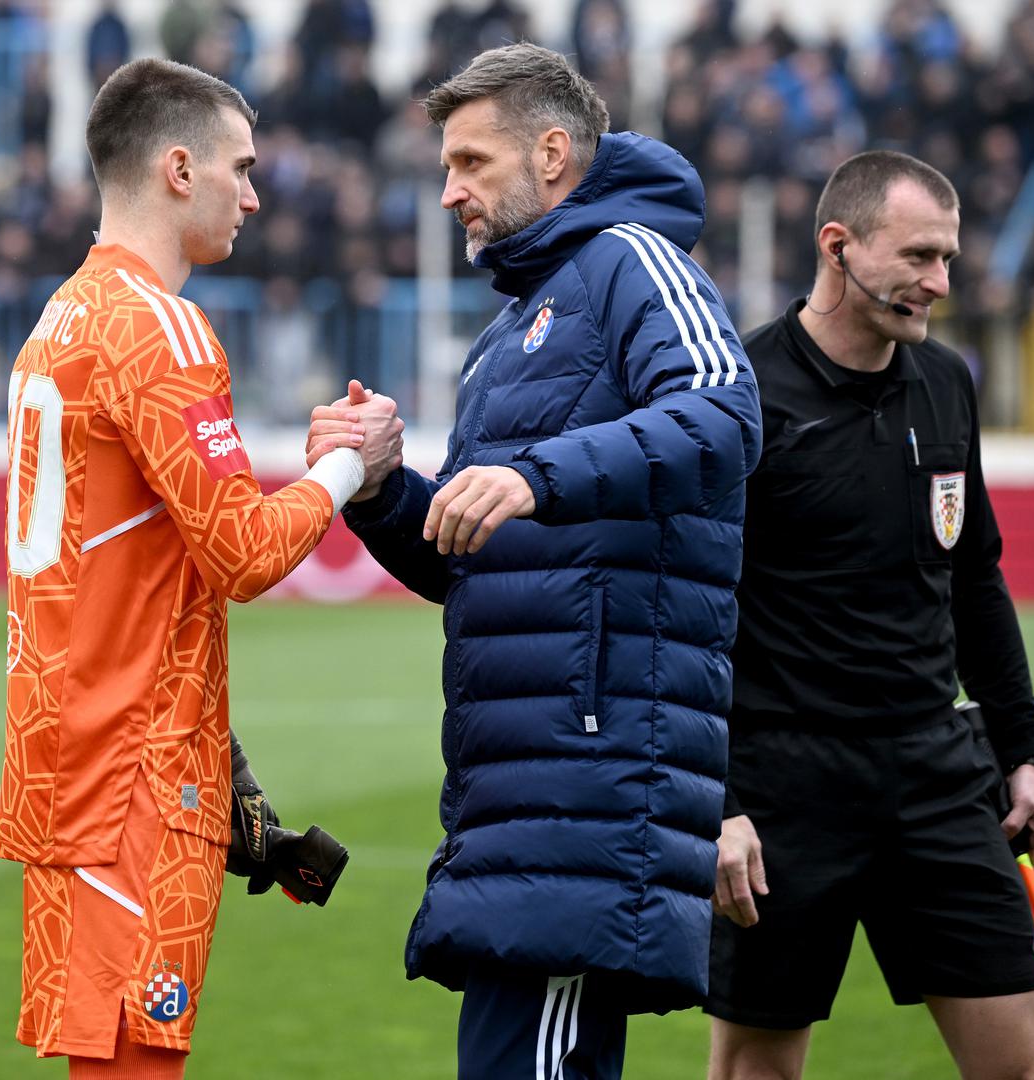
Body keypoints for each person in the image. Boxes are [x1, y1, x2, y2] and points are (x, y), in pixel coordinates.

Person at [307, 43, 761, 1080]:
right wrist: (381, 490)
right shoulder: (511, 327)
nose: (446, 191)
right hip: (519, 793)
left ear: (552, 153)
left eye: (469, 162)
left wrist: (538, 475)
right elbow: (478, 562)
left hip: (589, 788)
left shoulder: (635, 260)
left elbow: (724, 416)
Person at [0, 58, 398, 1079]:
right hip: (132, 772)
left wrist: (216, 745)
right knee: (133, 1062)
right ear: (179, 169)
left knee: (104, 1057)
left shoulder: (61, 318)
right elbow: (246, 554)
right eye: (240, 168)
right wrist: (351, 465)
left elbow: (141, 571)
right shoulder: (158, 325)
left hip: (68, 751)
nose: (255, 195)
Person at [706, 150, 1034, 1080]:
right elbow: (686, 610)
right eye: (917, 258)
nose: (939, 283)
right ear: (838, 247)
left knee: (1027, 1067)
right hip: (783, 786)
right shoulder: (736, 392)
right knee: (757, 1072)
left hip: (935, 771)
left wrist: (1022, 751)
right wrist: (719, 803)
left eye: (946, 258)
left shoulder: (945, 381)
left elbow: (973, 574)